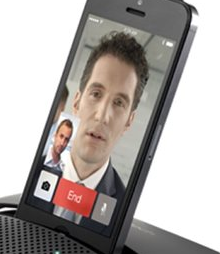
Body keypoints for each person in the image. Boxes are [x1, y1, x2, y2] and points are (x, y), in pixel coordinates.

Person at [52, 31, 149, 233]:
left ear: (129, 122)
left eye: (119, 103)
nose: (102, 116)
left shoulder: (123, 211)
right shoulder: (36, 171)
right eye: (96, 94)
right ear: (76, 102)